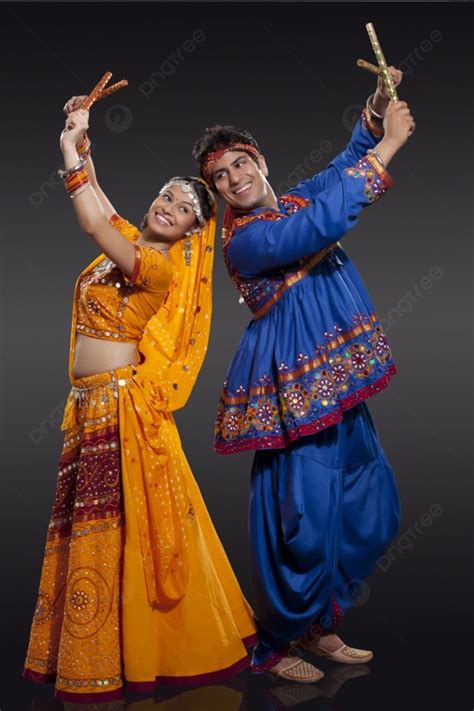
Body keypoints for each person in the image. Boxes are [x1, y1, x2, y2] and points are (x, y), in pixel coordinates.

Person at [23, 97, 256, 703]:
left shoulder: (155, 267)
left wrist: (67, 156)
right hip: (90, 405)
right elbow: (103, 207)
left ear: (189, 234)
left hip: (121, 410)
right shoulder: (129, 241)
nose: (170, 207)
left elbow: (93, 222)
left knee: (122, 535)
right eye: (167, 196)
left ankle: (138, 658)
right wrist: (82, 139)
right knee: (96, 533)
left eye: (184, 209)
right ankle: (98, 654)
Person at [192, 67, 414, 682]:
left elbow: (348, 165)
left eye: (240, 163)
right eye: (221, 177)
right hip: (295, 394)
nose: (235, 179)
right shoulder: (243, 242)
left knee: (370, 501)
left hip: (338, 386)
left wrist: (375, 113)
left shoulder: (295, 195)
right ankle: (278, 641)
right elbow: (319, 227)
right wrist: (392, 146)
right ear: (217, 192)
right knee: (305, 520)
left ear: (259, 161)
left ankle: (321, 623)